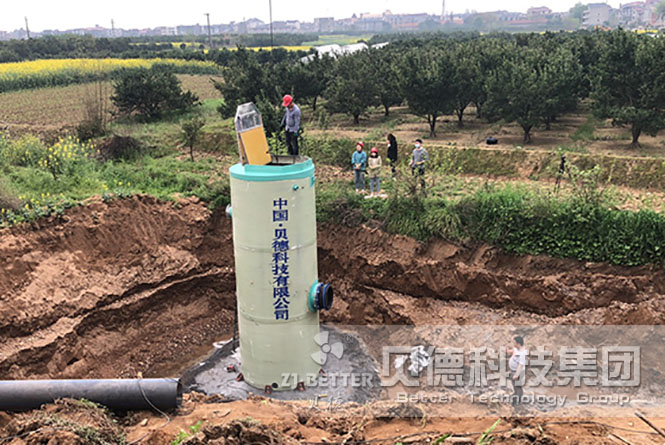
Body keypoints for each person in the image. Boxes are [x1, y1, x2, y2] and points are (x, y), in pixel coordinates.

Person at [507, 336, 527, 406]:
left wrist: (516, 375)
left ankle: (518, 402)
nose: (513, 344)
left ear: (518, 344)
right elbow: (514, 350)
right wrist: (509, 351)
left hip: (518, 372)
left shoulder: (522, 353)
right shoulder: (517, 348)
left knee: (518, 387)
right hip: (513, 370)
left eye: (514, 343)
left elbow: (520, 365)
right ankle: (515, 397)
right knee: (515, 386)